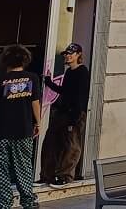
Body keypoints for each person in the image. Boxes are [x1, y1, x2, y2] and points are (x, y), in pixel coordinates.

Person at [0, 44, 41, 209]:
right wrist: (38, 122)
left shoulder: (1, 80)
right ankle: (28, 201)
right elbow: (35, 103)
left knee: (1, 168)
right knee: (24, 165)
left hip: (2, 132)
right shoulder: (32, 78)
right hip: (23, 131)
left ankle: (4, 204)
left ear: (6, 62)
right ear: (25, 61)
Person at [40, 43, 90, 185]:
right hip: (63, 112)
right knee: (50, 142)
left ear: (78, 54)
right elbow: (65, 91)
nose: (67, 56)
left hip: (74, 113)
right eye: (66, 54)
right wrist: (49, 82)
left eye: (71, 53)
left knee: (71, 145)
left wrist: (74, 118)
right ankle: (47, 175)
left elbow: (80, 96)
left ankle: (65, 176)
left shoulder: (82, 72)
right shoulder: (69, 72)